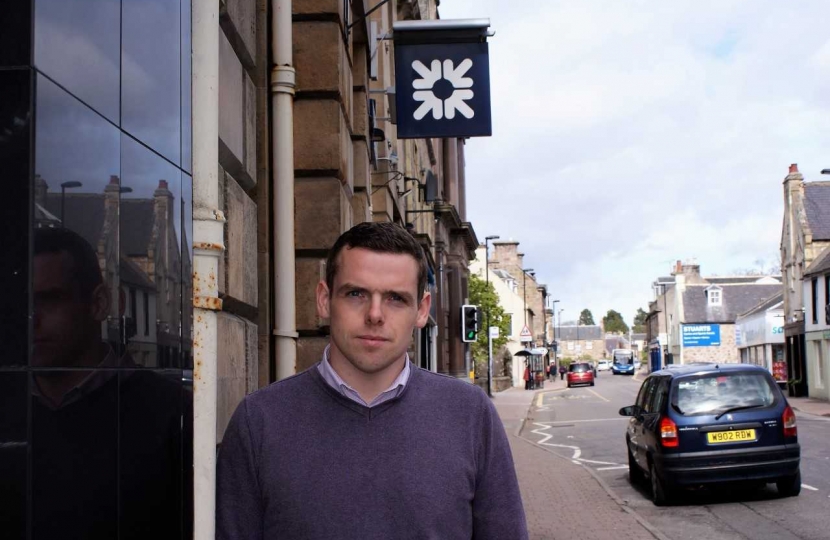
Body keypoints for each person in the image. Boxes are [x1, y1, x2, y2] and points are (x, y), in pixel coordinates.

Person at [216, 222, 528, 539]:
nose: (375, 314)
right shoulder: (259, 421)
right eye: (356, 293)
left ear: (421, 310)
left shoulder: (470, 415)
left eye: (395, 298)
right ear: (324, 300)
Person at [0, 227, 189, 539]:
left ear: (100, 304)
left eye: (49, 300)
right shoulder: (10, 408)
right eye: (22, 305)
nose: (32, 319)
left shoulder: (172, 414)